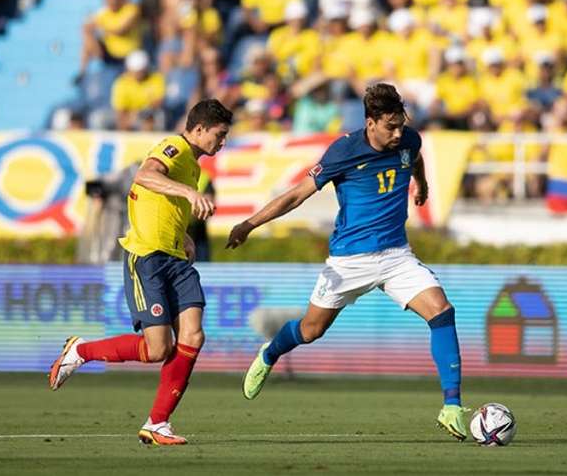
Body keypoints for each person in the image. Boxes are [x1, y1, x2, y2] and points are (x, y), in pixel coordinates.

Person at [226, 83, 470, 441]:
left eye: (401, 125)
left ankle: (452, 407)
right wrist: (249, 224)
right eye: (391, 126)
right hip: (348, 261)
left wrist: (422, 185)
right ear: (370, 123)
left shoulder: (408, 140)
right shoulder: (343, 151)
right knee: (311, 330)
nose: (398, 133)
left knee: (441, 310)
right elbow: (296, 195)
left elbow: (414, 156)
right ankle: (270, 352)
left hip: (396, 256)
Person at [48, 99, 233, 446]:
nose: (222, 143)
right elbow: (145, 175)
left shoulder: (191, 163)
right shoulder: (174, 147)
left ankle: (157, 423)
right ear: (198, 129)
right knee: (158, 349)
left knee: (193, 337)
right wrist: (189, 192)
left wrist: (185, 236)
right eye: (219, 135)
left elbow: (162, 206)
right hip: (146, 259)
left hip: (176, 259)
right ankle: (81, 351)